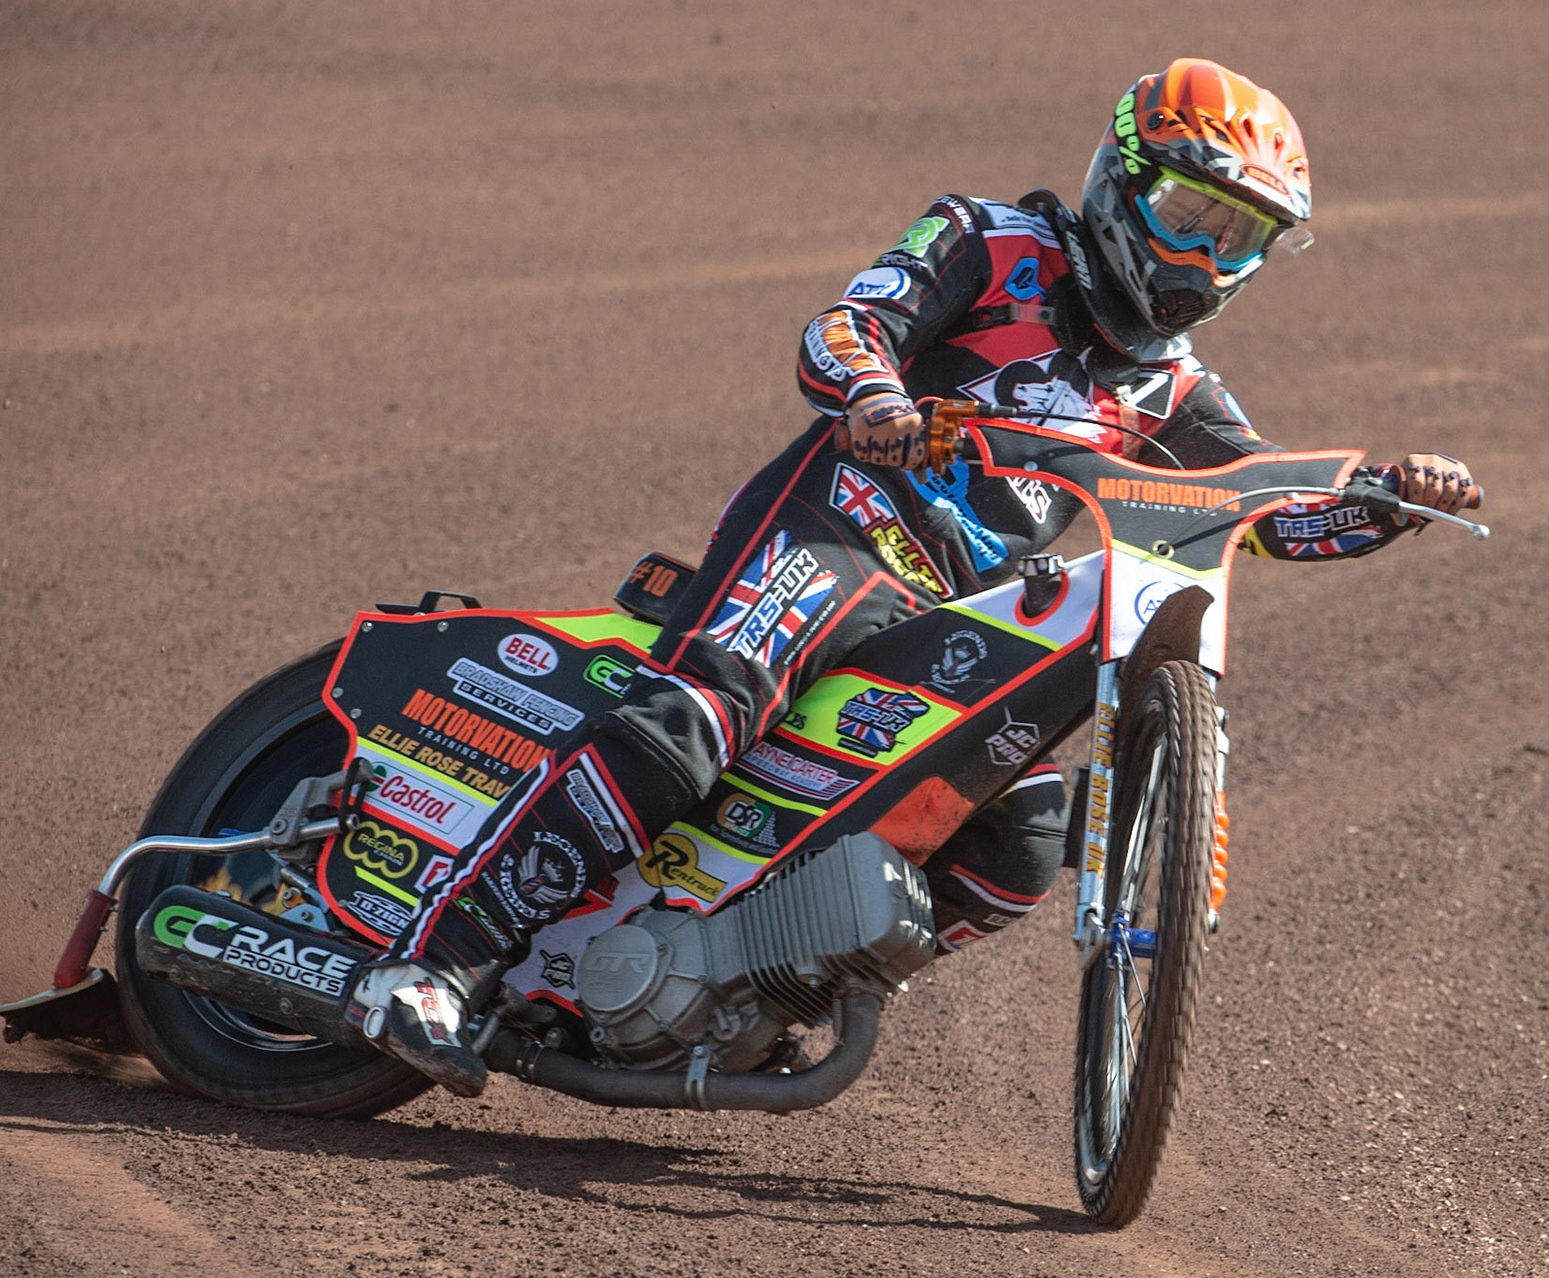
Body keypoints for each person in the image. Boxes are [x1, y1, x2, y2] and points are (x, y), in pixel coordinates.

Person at [348, 57, 1478, 1095]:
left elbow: (1266, 518)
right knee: (703, 710)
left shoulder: (1177, 393)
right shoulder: (990, 241)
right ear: (1120, 181)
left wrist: (1389, 500)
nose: (1205, 255)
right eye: (1191, 214)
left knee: (1030, 830)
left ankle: (765, 979)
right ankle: (434, 964)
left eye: (1241, 237)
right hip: (838, 528)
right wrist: (877, 401)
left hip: (945, 614)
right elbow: (845, 327)